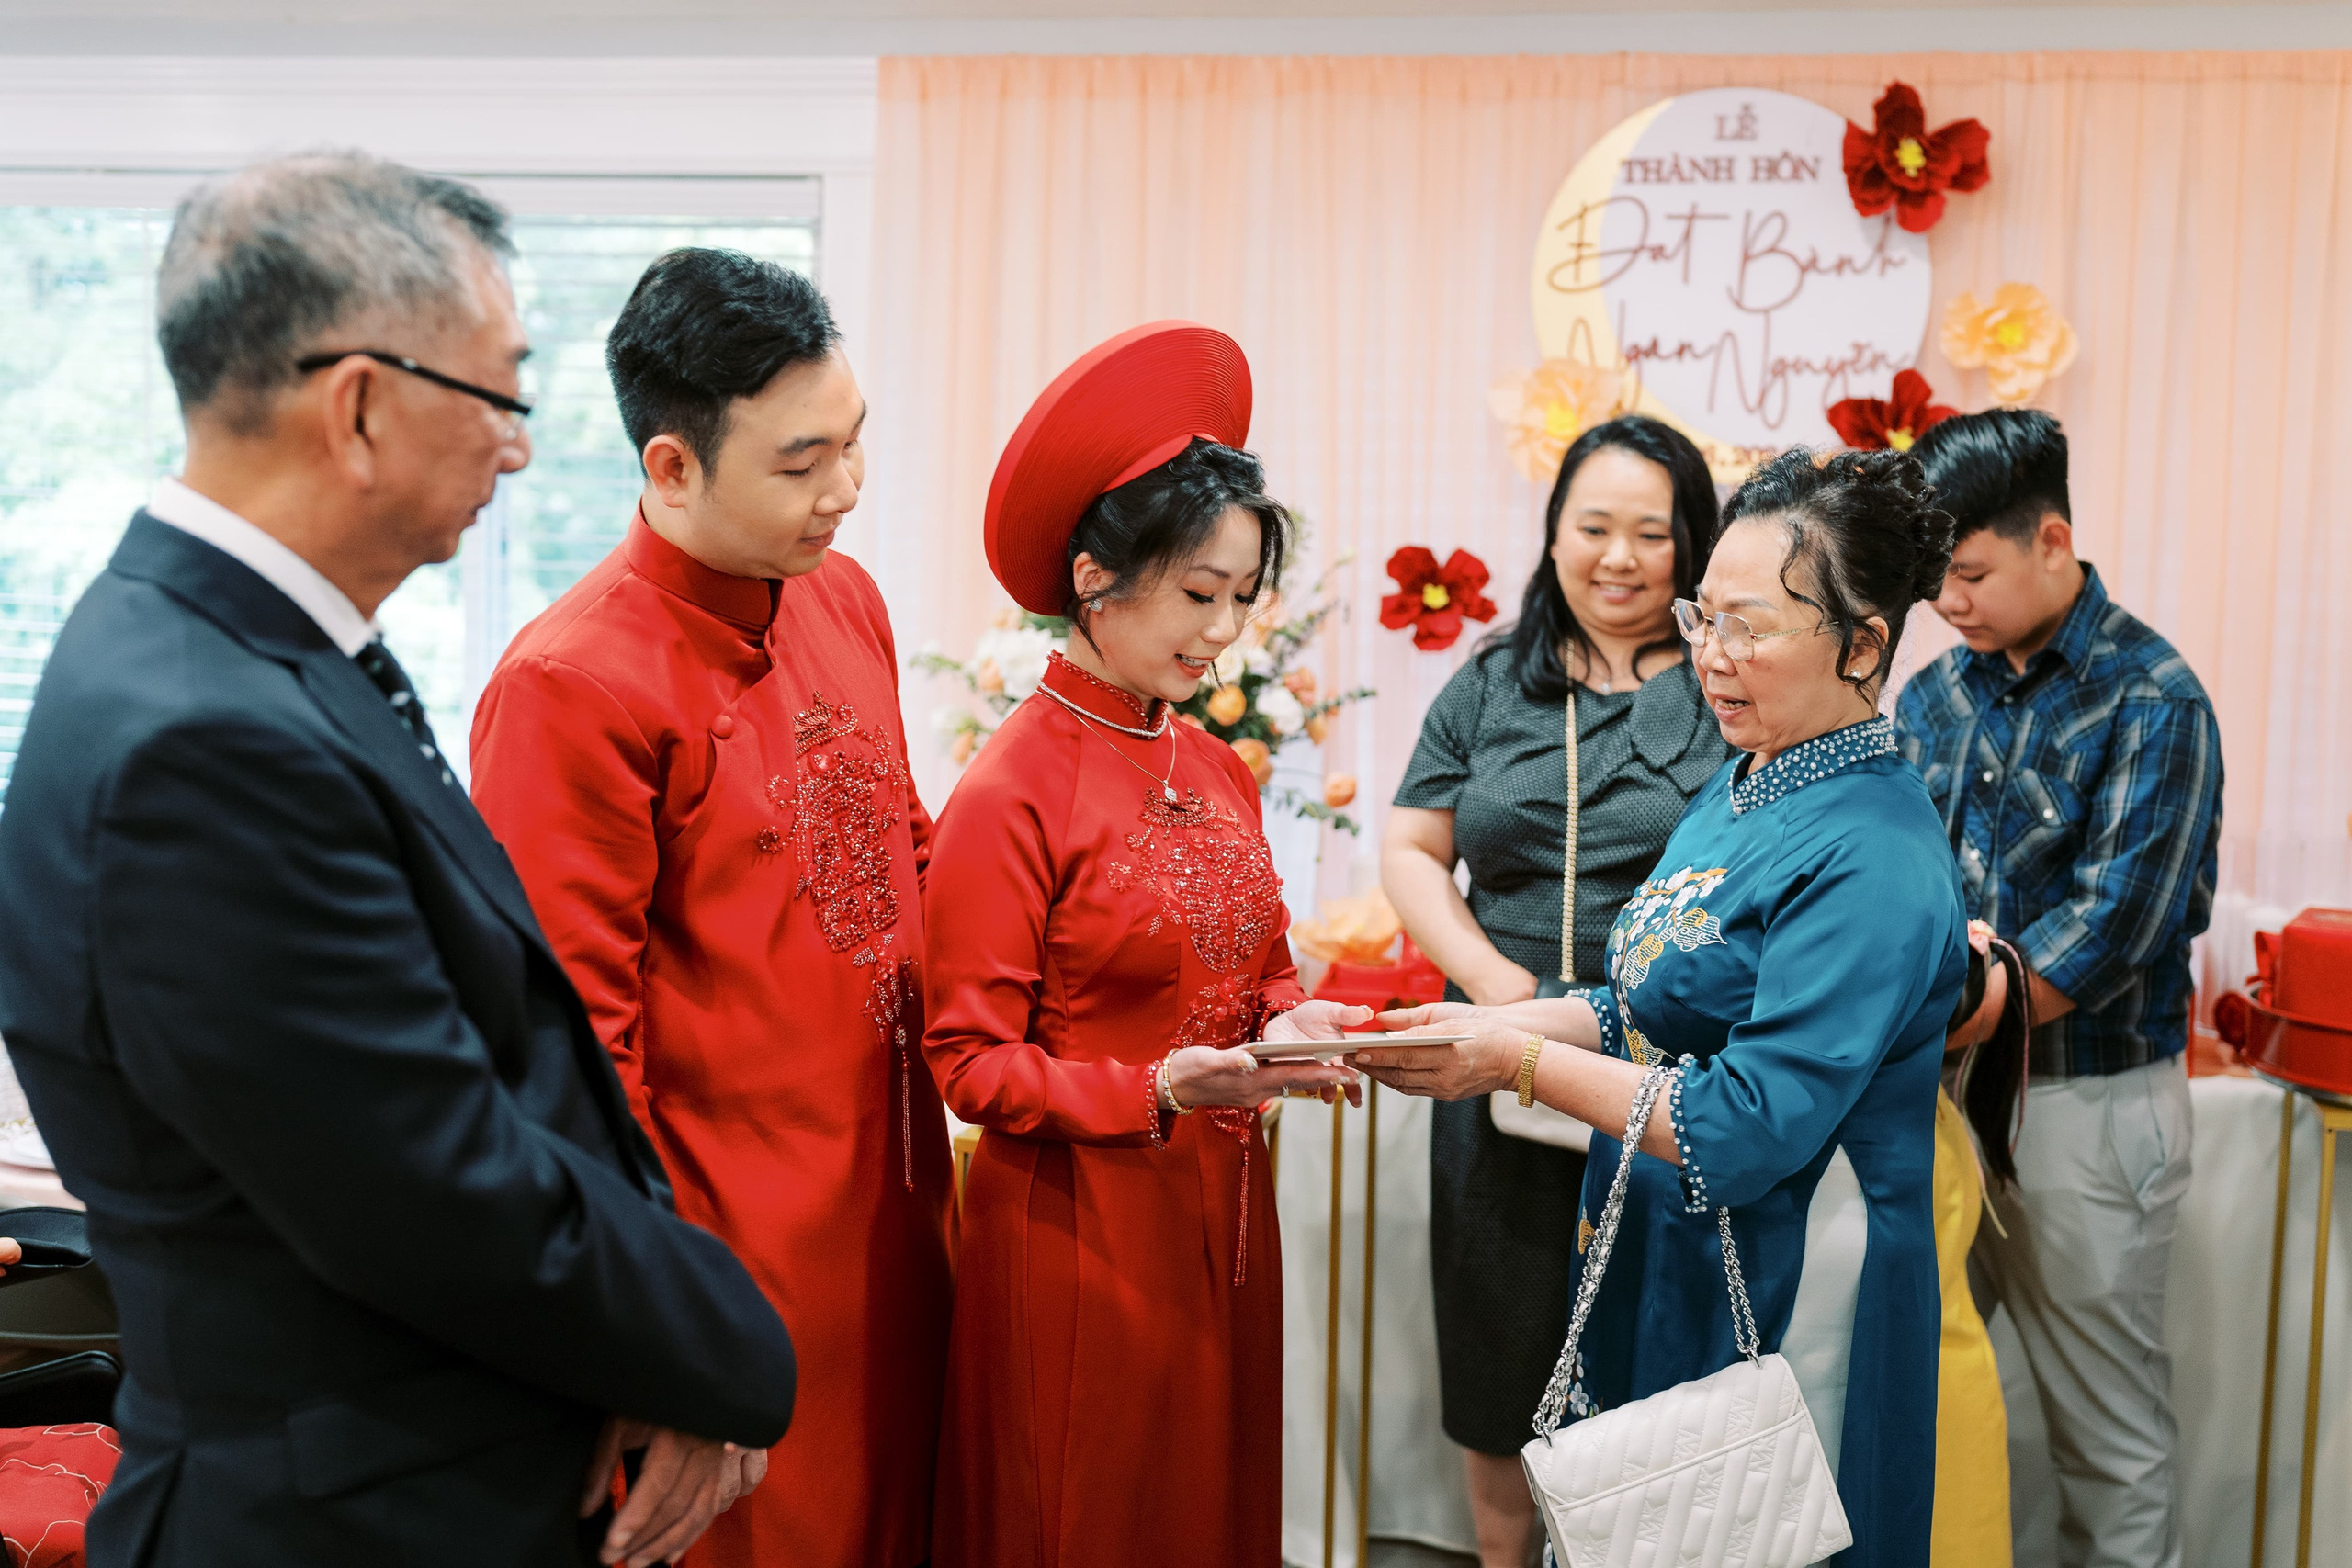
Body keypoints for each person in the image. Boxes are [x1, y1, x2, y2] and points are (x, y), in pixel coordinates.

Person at [0, 154, 797, 1567]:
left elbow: (510, 1055)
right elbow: (440, 1185)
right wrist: (725, 1353)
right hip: (339, 1513)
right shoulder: (197, 735)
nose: (522, 449)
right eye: (501, 395)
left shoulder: (261, 651)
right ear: (358, 404)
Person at [1362, 447, 1967, 1568]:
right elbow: (1653, 1005)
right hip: (1672, 1243)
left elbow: (1740, 1126)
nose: (1711, 659)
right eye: (1707, 619)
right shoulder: (1748, 782)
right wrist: (1480, 1029)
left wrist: (1511, 1063)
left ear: (1864, 644)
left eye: (1752, 628)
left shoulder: (1872, 852)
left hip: (1793, 1276)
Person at [469, 248, 951, 1567]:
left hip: (900, 1216)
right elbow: (569, 1062)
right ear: (671, 465)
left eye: (853, 445)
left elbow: (906, 857)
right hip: (732, 1266)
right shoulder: (573, 684)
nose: (844, 492)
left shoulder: (843, 596)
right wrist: (658, 1341)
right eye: (802, 466)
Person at [921, 322, 1368, 1567]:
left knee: (1207, 1509)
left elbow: (1258, 958)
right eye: (1196, 594)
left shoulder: (1213, 761)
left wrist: (1288, 1017)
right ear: (1093, 579)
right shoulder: (1010, 787)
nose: (1220, 631)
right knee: (1087, 1509)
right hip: (1078, 1232)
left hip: (1221, 1219)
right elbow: (967, 1061)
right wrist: (1155, 1087)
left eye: (1238, 598)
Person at [1381, 414, 1731, 1566]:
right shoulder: (1489, 680)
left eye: (1650, 532)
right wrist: (1493, 989)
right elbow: (1414, 850)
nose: (1618, 558)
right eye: (1594, 527)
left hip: (1658, 1059)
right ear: (1553, 532)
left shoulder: (1731, 687)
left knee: (1646, 1338)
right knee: (1497, 1333)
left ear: (1694, 545)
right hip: (1487, 1049)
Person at [1899, 409, 2220, 1568]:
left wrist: (1944, 1003)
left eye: (1970, 573)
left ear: (2052, 538)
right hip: (1940, 1102)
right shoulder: (1933, 696)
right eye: (1934, 581)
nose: (1948, 602)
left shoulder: (2152, 696)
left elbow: (2110, 930)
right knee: (1937, 1402)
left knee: (2106, 1440)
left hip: (2083, 1105)